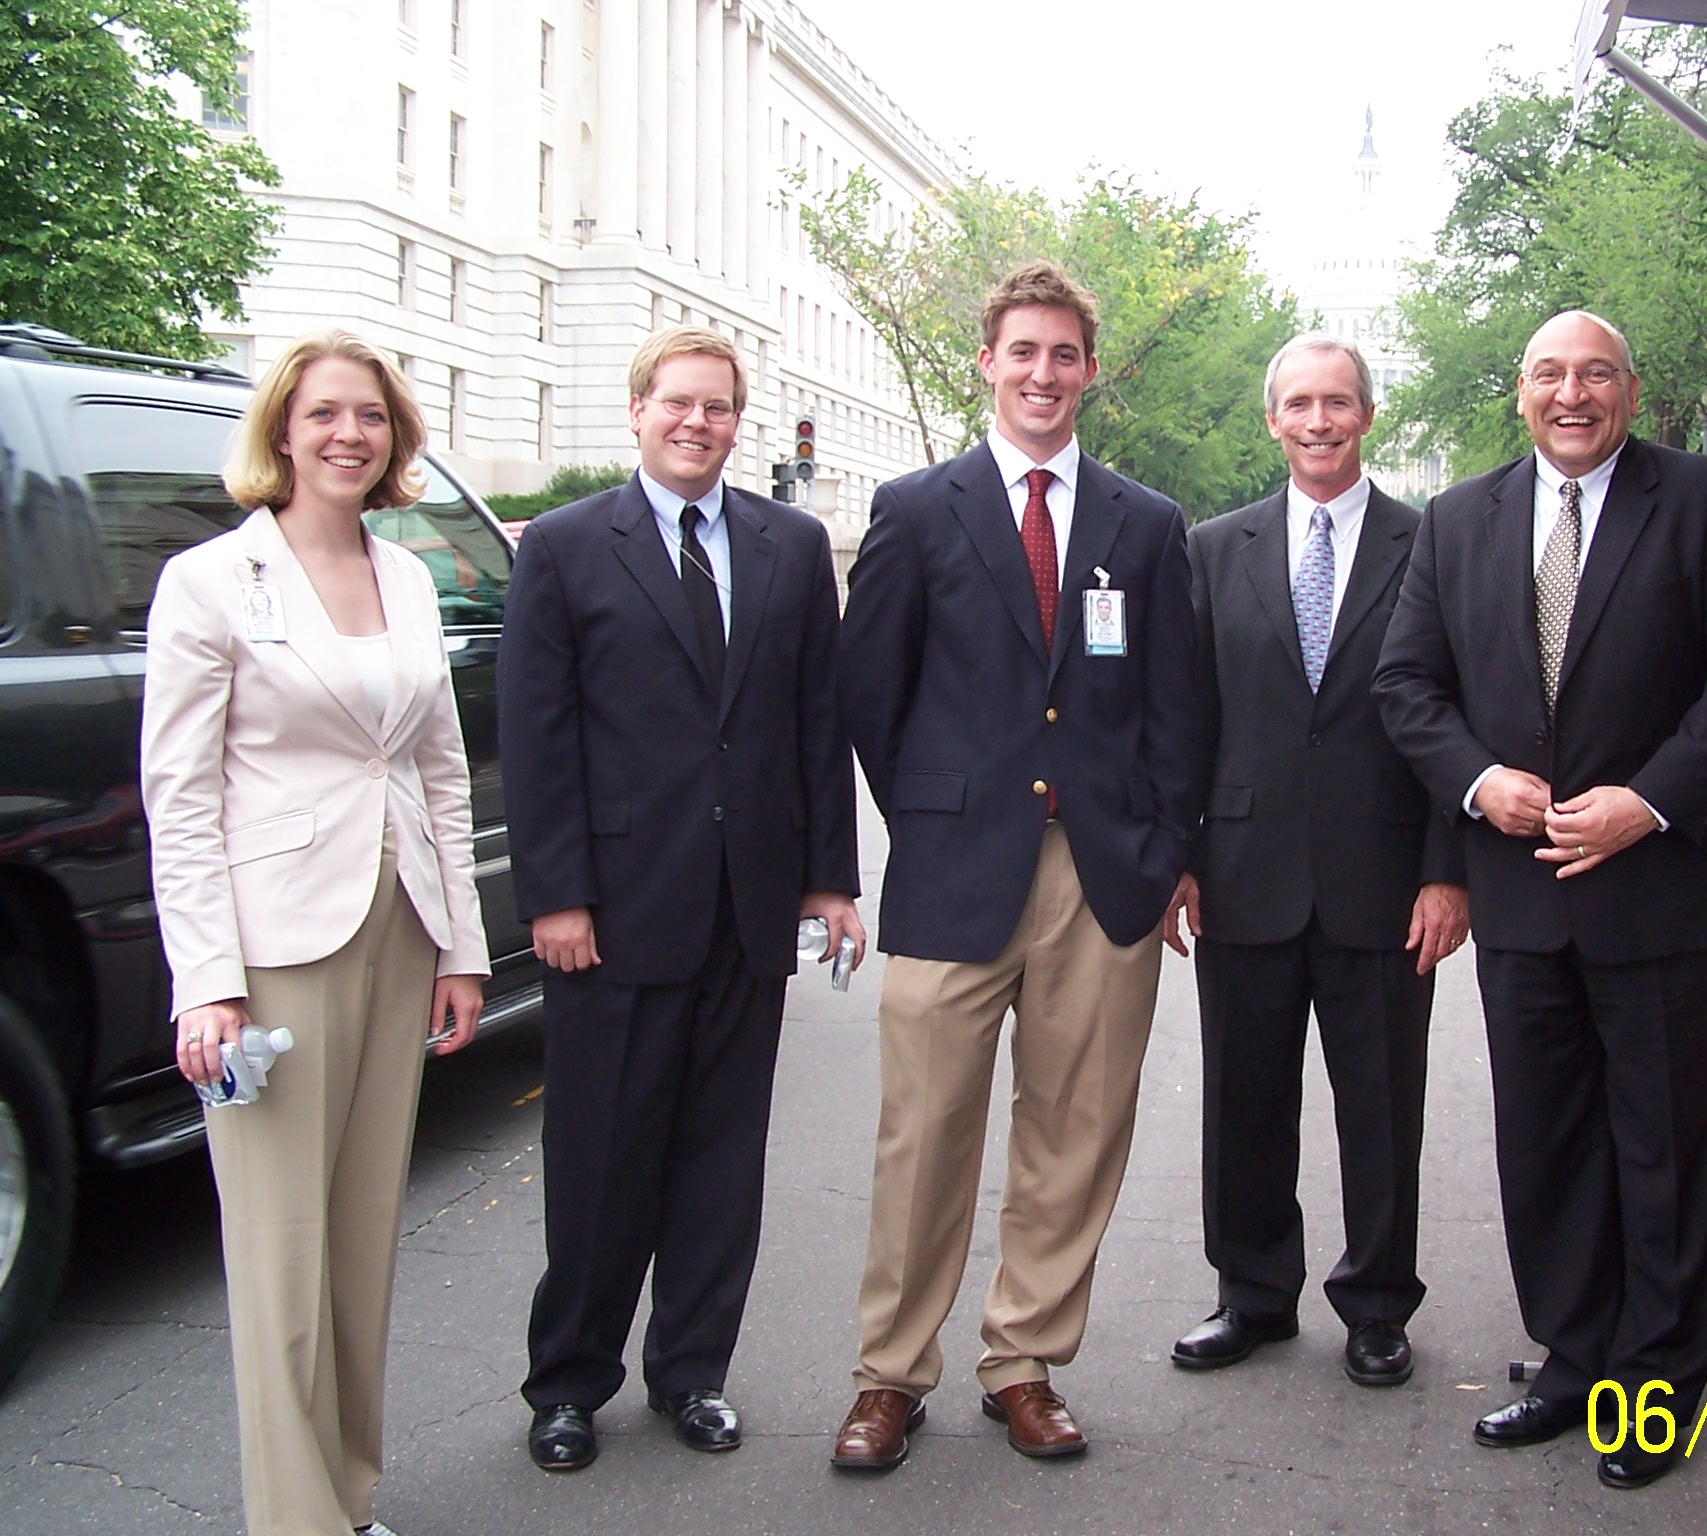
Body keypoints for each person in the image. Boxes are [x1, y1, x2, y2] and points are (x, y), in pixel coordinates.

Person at [1374, 310, 1707, 1490]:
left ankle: (1657, 1385)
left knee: (1667, 1146)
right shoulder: (1462, 520)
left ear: (1631, 388)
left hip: (1662, 890)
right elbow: (1406, 681)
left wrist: (1650, 801)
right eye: (1552, 375)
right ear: (1521, 394)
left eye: (1597, 373)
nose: (1574, 394)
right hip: (1520, 897)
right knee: (1549, 1142)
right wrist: (1478, 781)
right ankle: (1574, 1356)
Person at [831, 261, 1200, 1469]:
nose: (1042, 374)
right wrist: (938, 812)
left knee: (1076, 1128)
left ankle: (1024, 1360)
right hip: (954, 871)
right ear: (986, 363)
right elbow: (869, 695)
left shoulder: (1143, 526)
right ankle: (891, 1374)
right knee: (924, 1130)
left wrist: (1164, 852)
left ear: (1089, 372)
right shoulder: (916, 509)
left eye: (1064, 355)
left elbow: (1176, 706)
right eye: (1021, 353)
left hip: (1102, 881)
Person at [142, 331, 489, 1536]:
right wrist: (208, 984)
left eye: (373, 418)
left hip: (400, 932)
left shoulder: (404, 577)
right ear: (281, 432)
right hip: (273, 949)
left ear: (395, 439)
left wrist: (461, 947)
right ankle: (291, 1519)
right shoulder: (208, 581)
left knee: (359, 1244)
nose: (350, 435)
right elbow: (180, 797)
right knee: (283, 1259)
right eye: (326, 414)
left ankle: (347, 1497)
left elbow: (438, 772)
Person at [501, 326, 863, 1473]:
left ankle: (692, 1372)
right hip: (611, 912)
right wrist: (555, 894)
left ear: (737, 422)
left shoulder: (791, 545)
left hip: (746, 909)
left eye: (719, 407)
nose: (698, 423)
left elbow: (817, 721)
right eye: (678, 405)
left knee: (720, 1159)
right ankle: (569, 1382)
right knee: (603, 1159)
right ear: (638, 411)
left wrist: (829, 879)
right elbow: (537, 732)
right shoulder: (563, 548)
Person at [1164, 334, 1467, 1386]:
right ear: (1273, 421)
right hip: (1242, 874)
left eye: (1338, 402)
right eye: (1299, 403)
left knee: (1382, 1107)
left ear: (1367, 415)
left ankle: (1378, 1304)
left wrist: (1447, 868)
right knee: (1242, 1100)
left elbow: (1452, 720)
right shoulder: (1212, 549)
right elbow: (1185, 717)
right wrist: (1181, 856)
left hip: (1386, 882)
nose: (1319, 421)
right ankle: (1250, 1294)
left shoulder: (1430, 543)